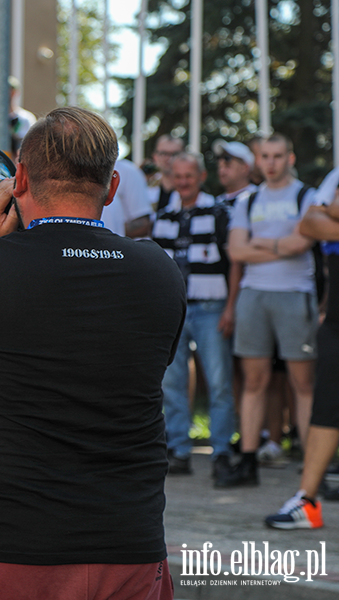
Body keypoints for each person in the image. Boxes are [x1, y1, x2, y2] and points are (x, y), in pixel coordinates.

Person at [0, 107, 184, 599]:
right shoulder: (159, 269)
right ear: (110, 188)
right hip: (128, 548)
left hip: (4, 550)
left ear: (18, 177)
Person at [221, 133, 318, 488]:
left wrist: (260, 242)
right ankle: (247, 461)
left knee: (302, 384)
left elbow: (302, 243)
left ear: (290, 158)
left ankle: (313, 466)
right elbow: (237, 252)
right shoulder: (249, 200)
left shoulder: (307, 195)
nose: (272, 162)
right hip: (254, 295)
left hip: (295, 294)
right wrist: (281, 246)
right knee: (254, 381)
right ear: (258, 160)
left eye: (279, 155)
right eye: (266, 156)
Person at [151, 153, 236, 482]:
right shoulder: (164, 216)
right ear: (171, 177)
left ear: (201, 176)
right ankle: (180, 449)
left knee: (219, 382)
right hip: (175, 309)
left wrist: (231, 306)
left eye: (190, 175)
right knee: (172, 383)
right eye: (178, 176)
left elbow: (233, 263)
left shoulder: (219, 212)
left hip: (211, 307)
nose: (184, 181)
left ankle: (222, 452)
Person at [264, 170, 339, 529]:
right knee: (326, 407)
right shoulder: (335, 175)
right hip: (336, 319)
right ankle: (307, 502)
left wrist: (332, 215)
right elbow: (309, 223)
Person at [147, 134, 185, 212]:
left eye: (175, 154)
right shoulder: (145, 188)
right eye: (163, 153)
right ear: (155, 157)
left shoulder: (191, 190)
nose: (168, 158)